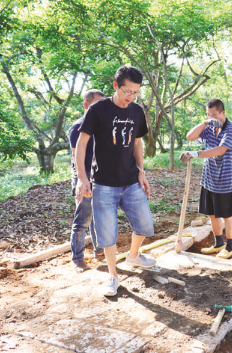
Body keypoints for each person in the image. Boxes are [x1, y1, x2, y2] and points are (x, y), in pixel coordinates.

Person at [75, 65, 156, 296]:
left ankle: (133, 256)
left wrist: (141, 170)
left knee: (145, 225)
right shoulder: (98, 109)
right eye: (126, 91)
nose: (130, 97)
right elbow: (81, 143)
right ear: (115, 86)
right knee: (107, 233)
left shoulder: (137, 111)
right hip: (104, 183)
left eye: (135, 93)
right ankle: (113, 276)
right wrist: (82, 178)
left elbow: (137, 143)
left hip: (131, 180)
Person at [180, 99, 232, 259]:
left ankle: (229, 247)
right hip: (208, 179)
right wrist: (205, 122)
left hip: (225, 181)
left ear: (223, 113)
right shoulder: (209, 127)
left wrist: (196, 154)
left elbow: (220, 150)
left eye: (214, 115)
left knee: (227, 216)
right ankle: (218, 243)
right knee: (212, 215)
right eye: (208, 115)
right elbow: (190, 136)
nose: (211, 118)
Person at [69, 89, 105, 273]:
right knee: (82, 219)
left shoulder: (99, 126)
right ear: (86, 105)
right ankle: (78, 259)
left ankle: (99, 251)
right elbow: (76, 156)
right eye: (96, 105)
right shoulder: (78, 127)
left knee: (97, 217)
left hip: (98, 178)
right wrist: (82, 180)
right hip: (84, 179)